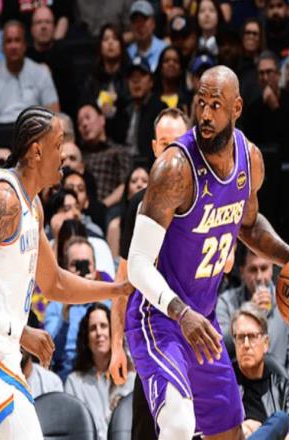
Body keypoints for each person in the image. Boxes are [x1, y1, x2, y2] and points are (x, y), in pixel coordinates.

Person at [124, 65, 289, 440]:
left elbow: (249, 225)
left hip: (203, 320)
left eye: (216, 105)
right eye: (201, 103)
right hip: (159, 318)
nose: (206, 115)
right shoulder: (174, 169)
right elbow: (137, 265)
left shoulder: (249, 160)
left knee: (229, 432)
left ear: (236, 108)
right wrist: (182, 313)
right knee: (178, 423)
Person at [0, 106, 133, 440]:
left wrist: (117, 289)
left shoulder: (32, 205)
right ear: (36, 151)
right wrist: (21, 332)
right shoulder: (3, 199)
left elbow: (54, 283)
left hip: (0, 347)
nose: (65, 155)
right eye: (58, 145)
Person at [109, 107, 190, 440]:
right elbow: (123, 282)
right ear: (155, 148)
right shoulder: (140, 204)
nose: (172, 151)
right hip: (153, 328)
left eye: (179, 142)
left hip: (197, 325)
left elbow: (226, 263)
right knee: (150, 428)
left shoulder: (207, 198)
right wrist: (117, 346)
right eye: (165, 143)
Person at [216, 246, 289, 389]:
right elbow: (219, 347)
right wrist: (248, 311)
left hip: (278, 389)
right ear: (242, 272)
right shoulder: (226, 302)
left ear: (272, 269)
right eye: (253, 270)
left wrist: (280, 390)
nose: (259, 277)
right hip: (238, 390)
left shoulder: (288, 305)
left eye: (264, 268)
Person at [45, 236, 112, 381]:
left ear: (94, 269)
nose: (81, 270)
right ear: (65, 270)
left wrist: (94, 296)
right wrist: (68, 305)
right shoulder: (55, 307)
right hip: (67, 377)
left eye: (86, 264)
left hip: (104, 377)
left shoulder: (108, 305)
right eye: (75, 264)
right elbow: (50, 353)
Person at [65, 303, 135, 440]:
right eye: (92, 328)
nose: (99, 333)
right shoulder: (74, 382)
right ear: (86, 338)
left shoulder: (131, 379)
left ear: (113, 332)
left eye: (103, 326)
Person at [231, 302, 289, 439]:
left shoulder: (283, 389)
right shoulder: (223, 384)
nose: (246, 345)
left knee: (280, 420)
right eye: (241, 337)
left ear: (266, 343)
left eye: (252, 337)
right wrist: (239, 430)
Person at [0, 20, 59, 125]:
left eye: (17, 40)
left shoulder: (41, 73)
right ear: (2, 47)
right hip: (2, 131)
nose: (13, 46)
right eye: (9, 41)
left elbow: (54, 115)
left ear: (24, 45)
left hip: (34, 129)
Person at [127, 0, 166, 72]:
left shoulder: (164, 51)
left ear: (153, 23)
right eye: (135, 21)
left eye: (143, 20)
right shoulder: (127, 54)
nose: (140, 25)